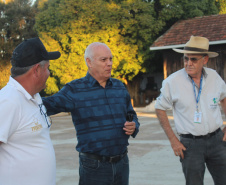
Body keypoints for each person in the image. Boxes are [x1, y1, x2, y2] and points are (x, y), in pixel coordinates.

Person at [42, 42, 140, 185]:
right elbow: (47, 105)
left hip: (122, 164)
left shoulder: (119, 87)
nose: (109, 64)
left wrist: (134, 125)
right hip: (94, 167)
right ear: (89, 62)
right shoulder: (75, 90)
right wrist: (20, 95)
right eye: (104, 60)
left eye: (111, 59)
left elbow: (131, 114)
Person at [155, 35, 226, 185]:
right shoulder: (172, 82)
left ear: (205, 60)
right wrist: (173, 140)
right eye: (186, 59)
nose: (188, 63)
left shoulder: (214, 77)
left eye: (193, 59)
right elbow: (159, 108)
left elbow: (224, 97)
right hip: (190, 145)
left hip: (217, 140)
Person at [0, 37, 61, 185]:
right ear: (36, 71)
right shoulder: (9, 101)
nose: (49, 73)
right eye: (47, 68)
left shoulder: (34, 97)